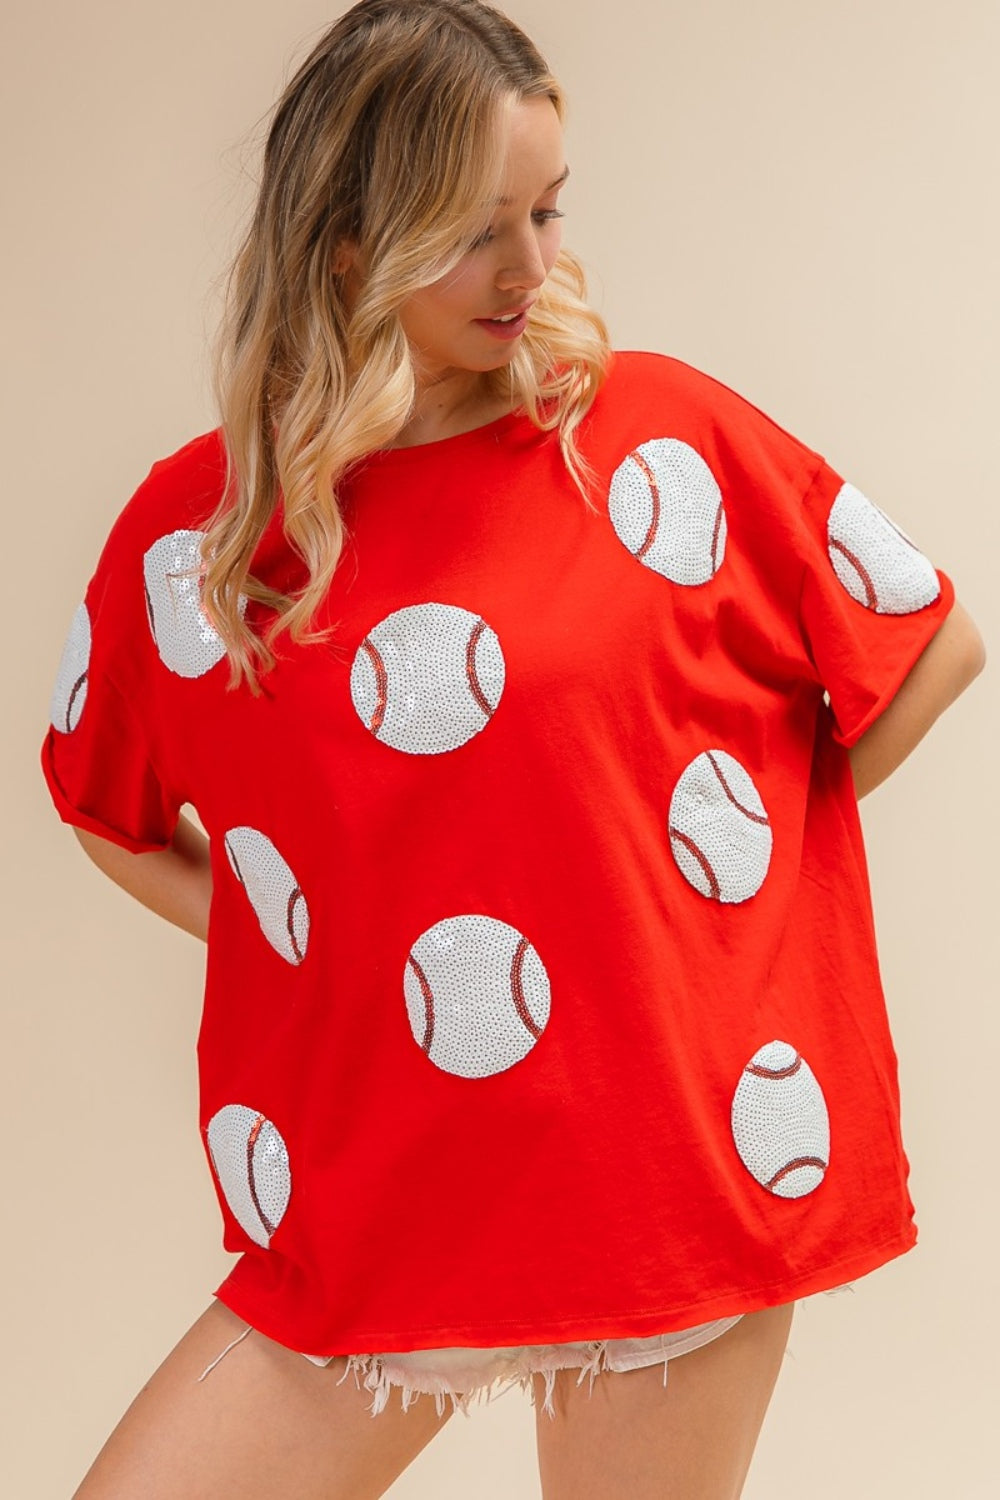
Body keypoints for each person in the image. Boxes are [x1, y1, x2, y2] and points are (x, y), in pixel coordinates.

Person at [39, 2, 986, 1497]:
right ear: (349, 244)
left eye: (548, 212)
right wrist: (307, 928)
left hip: (654, 1178)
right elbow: (103, 804)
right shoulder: (198, 535)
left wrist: (706, 876)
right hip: (376, 1199)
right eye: (481, 230)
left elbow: (927, 642)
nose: (534, 269)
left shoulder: (651, 441)